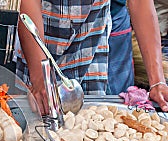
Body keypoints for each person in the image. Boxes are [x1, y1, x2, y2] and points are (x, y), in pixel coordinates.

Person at [18, 0, 168, 115]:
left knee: (91, 127)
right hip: (41, 43)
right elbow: (28, 3)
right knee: (36, 127)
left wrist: (157, 81)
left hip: (91, 43)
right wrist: (39, 76)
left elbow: (140, 3)